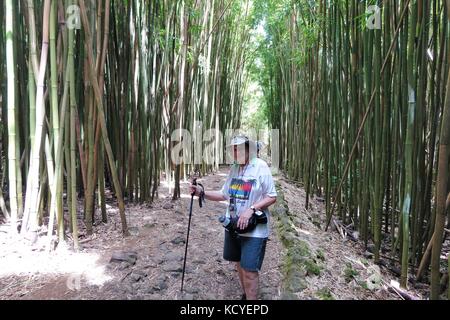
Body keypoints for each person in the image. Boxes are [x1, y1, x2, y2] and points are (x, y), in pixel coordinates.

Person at [190, 136, 277, 300]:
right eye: (233, 149)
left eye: (239, 148)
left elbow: (272, 196)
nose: (235, 152)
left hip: (254, 229)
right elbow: (224, 194)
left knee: (250, 270)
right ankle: (246, 295)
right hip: (234, 225)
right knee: (238, 263)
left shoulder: (260, 166)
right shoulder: (235, 168)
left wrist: (251, 209)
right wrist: (201, 192)